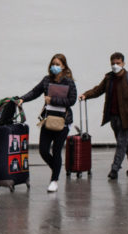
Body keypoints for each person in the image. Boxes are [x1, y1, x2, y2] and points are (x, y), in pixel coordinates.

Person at [79, 52, 128, 180]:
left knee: (121, 144)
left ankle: (114, 169)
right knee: (124, 143)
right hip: (113, 117)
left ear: (123, 63)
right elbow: (98, 90)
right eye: (113, 63)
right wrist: (86, 95)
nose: (115, 66)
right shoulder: (109, 78)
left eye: (118, 63)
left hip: (127, 117)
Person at [18, 53, 77, 192]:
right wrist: (22, 99)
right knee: (43, 150)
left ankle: (54, 180)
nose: (55, 67)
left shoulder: (68, 81)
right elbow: (35, 92)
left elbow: (72, 100)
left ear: (63, 66)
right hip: (48, 119)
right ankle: (56, 168)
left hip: (62, 121)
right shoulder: (46, 80)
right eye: (53, 64)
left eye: (58, 64)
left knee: (57, 151)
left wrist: (53, 100)